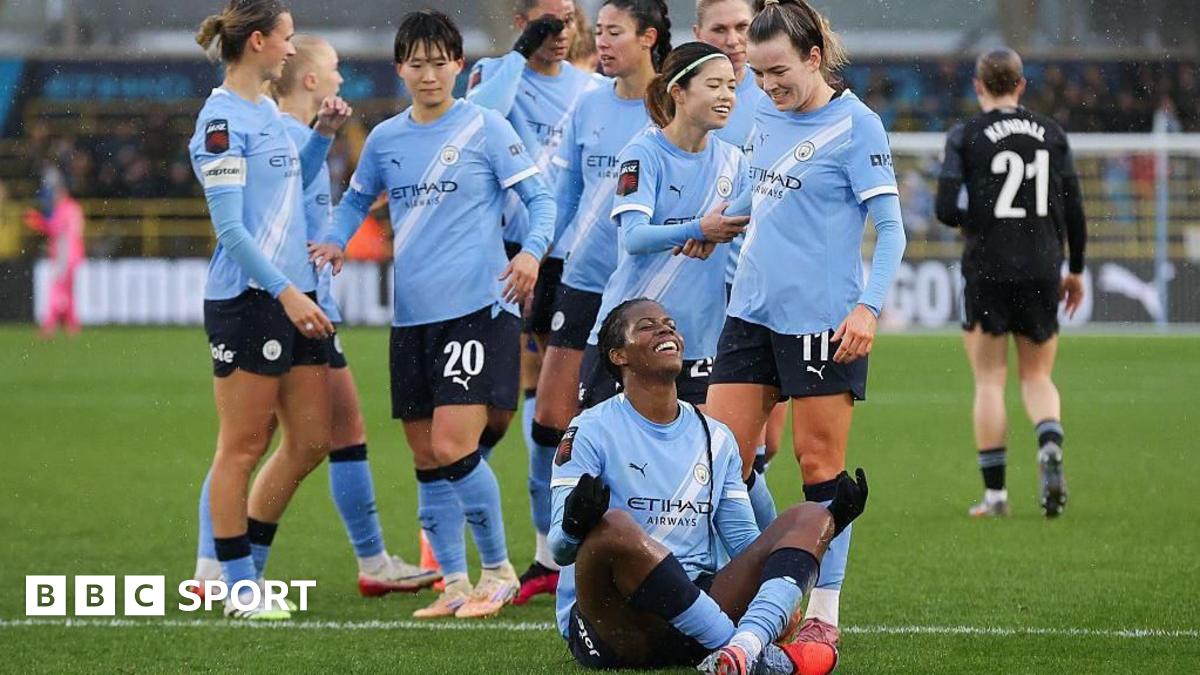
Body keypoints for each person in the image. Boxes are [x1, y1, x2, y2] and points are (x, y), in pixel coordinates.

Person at [314, 10, 556, 619]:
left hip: (477, 308)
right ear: (400, 69)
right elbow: (353, 203)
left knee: (454, 443)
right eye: (415, 63)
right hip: (412, 318)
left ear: (459, 66)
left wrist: (529, 253)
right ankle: (452, 582)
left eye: (438, 61)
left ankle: (497, 571)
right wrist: (336, 240)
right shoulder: (387, 139)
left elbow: (541, 199)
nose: (428, 74)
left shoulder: (487, 128)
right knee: (425, 455)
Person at [190, 33, 437, 599]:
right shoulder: (248, 125)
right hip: (281, 301)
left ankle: (228, 564)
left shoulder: (293, 135)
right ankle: (225, 567)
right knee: (266, 438)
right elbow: (256, 229)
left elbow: (305, 221)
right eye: (334, 69)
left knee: (302, 437)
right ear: (308, 79)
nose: (341, 78)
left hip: (302, 299)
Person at [706, 0, 907, 657]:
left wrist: (868, 307)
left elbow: (894, 230)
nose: (767, 87)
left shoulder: (858, 126)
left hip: (824, 319)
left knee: (819, 470)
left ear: (814, 57)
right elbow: (759, 189)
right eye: (758, 75)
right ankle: (775, 580)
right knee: (720, 463)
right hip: (750, 312)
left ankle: (821, 609)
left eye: (778, 72)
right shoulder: (763, 110)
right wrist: (717, 222)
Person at [549, 298, 870, 673]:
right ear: (619, 355)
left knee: (810, 515)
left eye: (669, 323)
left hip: (694, 618)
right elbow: (560, 549)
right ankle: (758, 659)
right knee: (613, 529)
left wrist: (828, 527)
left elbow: (748, 547)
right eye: (648, 326)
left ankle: (743, 647)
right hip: (618, 625)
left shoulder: (716, 437)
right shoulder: (590, 429)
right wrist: (574, 525)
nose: (666, 329)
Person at [189, 0, 351, 620]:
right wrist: (287, 291)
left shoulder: (266, 113)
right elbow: (231, 230)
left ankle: (244, 571)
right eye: (285, 38)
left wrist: (324, 138)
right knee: (243, 444)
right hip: (250, 300)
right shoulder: (222, 121)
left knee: (311, 441)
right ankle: (237, 584)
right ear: (258, 42)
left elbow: (290, 180)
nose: (292, 48)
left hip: (294, 293)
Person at [523, 0, 671, 607]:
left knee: (652, 425)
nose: (600, 42)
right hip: (582, 282)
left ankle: (655, 552)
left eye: (613, 32)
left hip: (647, 286)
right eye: (600, 32)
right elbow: (564, 194)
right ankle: (547, 552)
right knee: (552, 423)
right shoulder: (587, 102)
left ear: (649, 37)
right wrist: (540, 254)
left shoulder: (673, 105)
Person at [465, 0, 601, 604]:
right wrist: (520, 55)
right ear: (521, 23)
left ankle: (553, 549)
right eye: (546, 22)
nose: (558, 32)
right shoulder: (495, 77)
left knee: (559, 404)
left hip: (569, 257)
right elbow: (473, 123)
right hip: (509, 254)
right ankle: (447, 513)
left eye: (567, 20)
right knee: (502, 406)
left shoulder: (592, 88)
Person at [935, 47, 1086, 519]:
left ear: (979, 86)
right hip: (1043, 265)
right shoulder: (1051, 133)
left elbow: (944, 209)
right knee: (1037, 375)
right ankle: (1049, 440)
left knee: (989, 380)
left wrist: (976, 218)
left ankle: (997, 497)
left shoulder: (967, 134)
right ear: (1021, 85)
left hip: (989, 266)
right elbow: (1076, 209)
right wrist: (1075, 268)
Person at [578, 41, 748, 412]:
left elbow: (745, 230)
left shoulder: (735, 163)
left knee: (699, 463)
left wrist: (714, 234)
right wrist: (699, 230)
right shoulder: (644, 154)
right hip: (629, 339)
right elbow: (635, 237)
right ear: (678, 92)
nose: (726, 96)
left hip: (696, 342)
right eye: (714, 85)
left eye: (732, 86)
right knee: (609, 464)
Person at [693, 0, 786, 528]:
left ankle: (762, 561)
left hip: (759, 293)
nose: (732, 38)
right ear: (697, 32)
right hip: (693, 292)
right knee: (719, 446)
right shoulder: (679, 99)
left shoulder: (779, 100)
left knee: (758, 448)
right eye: (720, 29)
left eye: (742, 28)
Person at [24, 167, 84, 337]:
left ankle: (50, 326)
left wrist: (37, 221)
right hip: (75, 254)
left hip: (64, 254)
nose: (54, 197)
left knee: (55, 290)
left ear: (62, 193)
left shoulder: (64, 209)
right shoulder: (75, 208)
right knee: (69, 290)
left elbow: (55, 229)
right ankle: (72, 326)